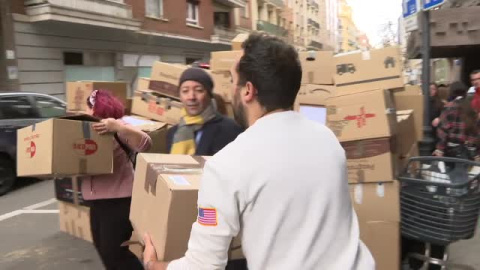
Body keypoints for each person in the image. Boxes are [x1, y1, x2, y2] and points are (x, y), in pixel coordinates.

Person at [142, 33, 375, 270]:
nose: (231, 89)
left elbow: (203, 266)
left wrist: (152, 264)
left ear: (248, 91)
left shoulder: (227, 164)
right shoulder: (327, 139)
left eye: (233, 80)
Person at [82, 90, 152, 270]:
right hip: (96, 201)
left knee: (114, 253)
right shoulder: (86, 129)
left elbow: (145, 143)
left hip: (119, 199)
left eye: (88, 107)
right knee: (103, 251)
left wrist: (118, 128)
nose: (86, 111)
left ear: (96, 107)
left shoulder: (118, 125)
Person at [167, 67, 243, 156]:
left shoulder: (230, 129)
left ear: (209, 95)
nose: (191, 97)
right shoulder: (173, 133)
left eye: (199, 90)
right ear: (180, 96)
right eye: (185, 91)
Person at [434, 90, 480, 161]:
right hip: (472, 154)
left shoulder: (449, 108)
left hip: (451, 153)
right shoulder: (474, 112)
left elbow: (442, 131)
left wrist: (440, 150)